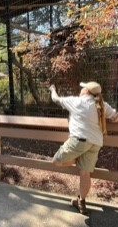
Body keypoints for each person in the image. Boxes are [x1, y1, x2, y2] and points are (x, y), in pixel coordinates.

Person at [49, 81, 117, 214]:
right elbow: (115, 117)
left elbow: (56, 99)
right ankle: (81, 202)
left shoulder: (77, 102)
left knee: (56, 161)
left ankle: (77, 160)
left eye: (83, 88)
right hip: (96, 143)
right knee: (85, 173)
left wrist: (52, 89)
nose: (81, 90)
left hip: (80, 140)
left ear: (86, 91)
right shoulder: (103, 105)